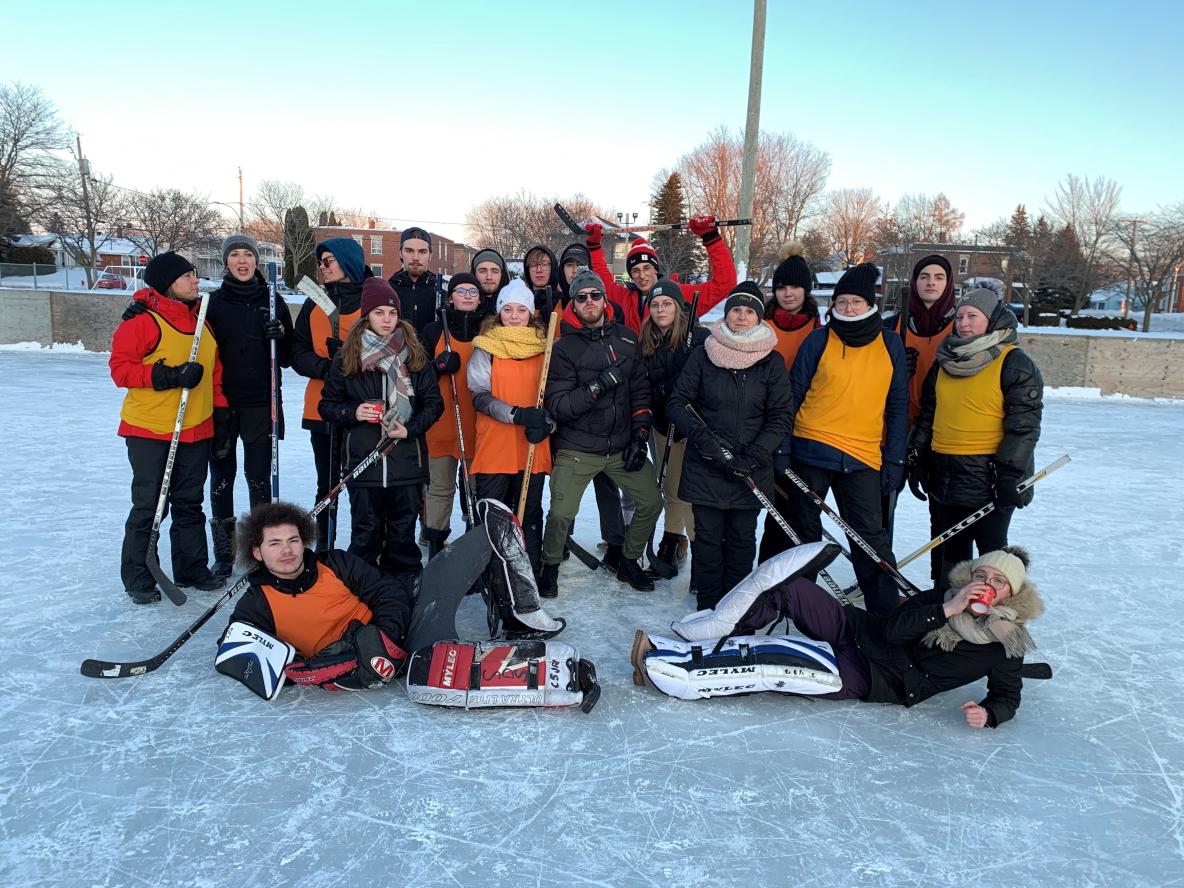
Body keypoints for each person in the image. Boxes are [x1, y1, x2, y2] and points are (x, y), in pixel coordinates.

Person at [635, 545, 1043, 728]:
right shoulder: (944, 596)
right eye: (981, 576)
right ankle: (705, 640)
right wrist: (946, 610)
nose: (985, 585)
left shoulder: (1007, 642)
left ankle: (676, 671)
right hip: (862, 632)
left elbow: (1007, 696)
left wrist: (990, 714)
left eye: (998, 582)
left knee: (780, 660)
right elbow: (892, 628)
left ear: (1011, 593)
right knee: (791, 590)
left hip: (877, 679)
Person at [781, 262, 908, 616]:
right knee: (804, 535)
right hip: (810, 449)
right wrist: (783, 447)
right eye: (842, 302)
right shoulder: (820, 339)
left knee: (869, 537)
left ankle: (885, 614)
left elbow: (897, 405)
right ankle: (801, 608)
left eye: (856, 302)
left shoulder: (890, 343)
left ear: (871, 305)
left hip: (862, 456)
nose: (848, 308)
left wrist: (896, 458)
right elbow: (794, 393)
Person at [109, 251, 227, 603]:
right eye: (188, 276)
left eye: (195, 275)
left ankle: (191, 568)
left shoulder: (202, 322)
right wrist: (168, 376)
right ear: (167, 283)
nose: (196, 281)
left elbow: (215, 374)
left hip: (196, 428)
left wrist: (219, 415)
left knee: (190, 503)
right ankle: (139, 576)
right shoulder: (142, 322)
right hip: (150, 428)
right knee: (149, 505)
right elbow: (121, 369)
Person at [539, 267, 664, 594]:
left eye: (595, 295)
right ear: (574, 304)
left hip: (621, 445)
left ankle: (628, 561)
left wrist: (639, 433)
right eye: (581, 297)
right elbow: (560, 406)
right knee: (561, 513)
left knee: (652, 502)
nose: (589, 301)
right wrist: (597, 385)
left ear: (605, 300)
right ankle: (550, 564)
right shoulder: (564, 348)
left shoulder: (626, 338)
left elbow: (639, 389)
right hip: (577, 448)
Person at [909, 286, 1043, 587]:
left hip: (989, 475)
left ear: (993, 320)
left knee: (990, 557)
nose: (964, 323)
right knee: (950, 553)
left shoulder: (1014, 362)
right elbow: (929, 413)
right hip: (943, 472)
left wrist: (1009, 475)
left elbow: (1024, 426)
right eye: (959, 317)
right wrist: (917, 457)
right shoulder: (945, 361)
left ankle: (990, 617)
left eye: (973, 316)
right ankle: (946, 614)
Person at [668, 283, 792, 610]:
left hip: (749, 470)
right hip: (706, 467)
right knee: (707, 543)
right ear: (727, 313)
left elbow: (781, 416)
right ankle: (709, 611)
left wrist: (754, 454)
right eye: (736, 309)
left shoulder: (772, 361)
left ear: (759, 318)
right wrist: (702, 439)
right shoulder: (704, 353)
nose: (741, 316)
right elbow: (677, 403)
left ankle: (736, 611)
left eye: (749, 311)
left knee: (740, 542)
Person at [318, 277, 443, 574]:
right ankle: (362, 597)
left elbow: (433, 404)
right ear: (366, 316)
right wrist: (354, 411)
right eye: (379, 313)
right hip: (364, 463)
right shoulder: (348, 357)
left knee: (402, 535)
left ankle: (403, 596)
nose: (386, 320)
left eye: (392, 313)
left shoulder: (414, 356)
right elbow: (327, 406)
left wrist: (410, 429)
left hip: (406, 464)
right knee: (366, 533)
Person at [225, 501, 414, 690]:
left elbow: (389, 593)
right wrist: (296, 666)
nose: (287, 550)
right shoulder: (256, 603)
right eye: (275, 543)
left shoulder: (337, 563)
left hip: (396, 642)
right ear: (257, 552)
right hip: (341, 680)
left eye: (293, 540)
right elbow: (235, 650)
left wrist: (382, 638)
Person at [202, 234, 293, 576]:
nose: (242, 261)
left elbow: (286, 358)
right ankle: (223, 554)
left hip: (261, 404)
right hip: (221, 405)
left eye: (248, 255)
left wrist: (279, 334)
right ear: (226, 262)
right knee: (221, 479)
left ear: (257, 261)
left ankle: (261, 551)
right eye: (235, 255)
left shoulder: (273, 301)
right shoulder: (211, 303)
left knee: (259, 480)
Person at [467, 280, 557, 576]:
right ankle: (492, 574)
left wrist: (546, 424)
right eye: (508, 309)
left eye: (521, 309)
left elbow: (555, 395)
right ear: (499, 312)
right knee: (495, 512)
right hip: (496, 443)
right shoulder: (486, 347)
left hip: (532, 444)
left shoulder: (545, 348)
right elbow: (479, 396)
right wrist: (516, 415)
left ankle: (528, 572)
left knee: (529, 512)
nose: (515, 315)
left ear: (531, 313)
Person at [291, 237, 368, 549]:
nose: (322, 268)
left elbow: (389, 348)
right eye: (320, 262)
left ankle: (363, 551)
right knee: (327, 483)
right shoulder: (315, 302)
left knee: (363, 485)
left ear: (347, 262)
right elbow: (296, 351)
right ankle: (324, 549)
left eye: (328, 261)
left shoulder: (372, 300)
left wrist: (349, 359)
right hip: (322, 408)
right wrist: (325, 367)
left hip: (362, 407)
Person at [756, 243, 822, 562]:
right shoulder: (763, 325)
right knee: (775, 510)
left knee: (803, 510)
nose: (788, 293)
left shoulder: (818, 328)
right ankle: (766, 574)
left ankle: (800, 578)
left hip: (805, 429)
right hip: (767, 427)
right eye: (781, 286)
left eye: (795, 286)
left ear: (806, 289)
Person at [639, 278, 708, 575]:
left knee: (687, 492)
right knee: (670, 488)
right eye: (654, 305)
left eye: (666, 303)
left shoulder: (699, 338)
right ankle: (671, 543)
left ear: (679, 308)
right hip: (660, 425)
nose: (660, 309)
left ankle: (698, 552)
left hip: (690, 426)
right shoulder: (645, 341)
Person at [418, 273, 483, 557]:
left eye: (473, 291)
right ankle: (435, 543)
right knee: (440, 489)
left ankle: (474, 541)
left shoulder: (489, 329)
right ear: (450, 296)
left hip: (479, 425)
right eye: (461, 290)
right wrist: (436, 367)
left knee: (476, 490)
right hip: (442, 424)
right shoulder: (434, 331)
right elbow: (414, 376)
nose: (467, 295)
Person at [583, 216, 738, 331]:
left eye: (647, 268)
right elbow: (603, 281)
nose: (642, 275)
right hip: (636, 372)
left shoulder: (680, 294)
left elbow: (725, 283)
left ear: (655, 269)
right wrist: (594, 247)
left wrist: (711, 238)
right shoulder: (624, 297)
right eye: (635, 271)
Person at [886, 255, 957, 424]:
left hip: (943, 428)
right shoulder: (891, 327)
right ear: (915, 282)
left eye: (939, 277)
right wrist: (892, 366)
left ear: (948, 284)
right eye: (924, 277)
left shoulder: (962, 328)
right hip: (896, 426)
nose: (931, 282)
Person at [388, 226, 438, 334]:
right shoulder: (387, 290)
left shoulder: (441, 292)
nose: (415, 257)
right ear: (401, 253)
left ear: (430, 256)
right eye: (409, 251)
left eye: (422, 252)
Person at [522, 243, 563, 325]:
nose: (539, 270)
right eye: (533, 265)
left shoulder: (564, 302)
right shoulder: (519, 302)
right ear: (528, 270)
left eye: (544, 264)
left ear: (553, 268)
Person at [470, 247, 510, 314]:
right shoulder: (462, 307)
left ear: (502, 275)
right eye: (482, 271)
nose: (489, 277)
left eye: (495, 271)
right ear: (474, 274)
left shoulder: (517, 307)